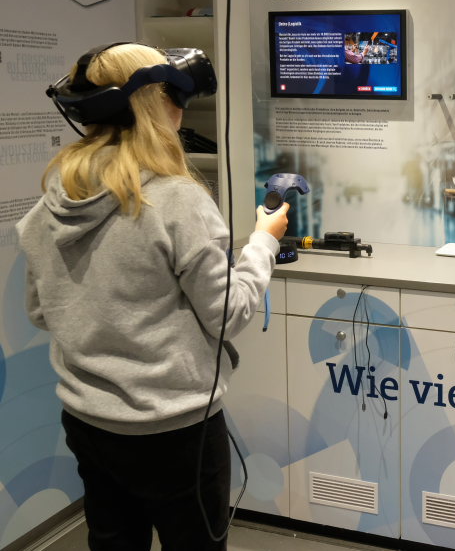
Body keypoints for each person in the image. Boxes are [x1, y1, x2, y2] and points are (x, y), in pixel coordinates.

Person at [16, 43, 289, 550]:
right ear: (157, 104)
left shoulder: (54, 199)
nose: (182, 111)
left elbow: (40, 310)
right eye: (177, 98)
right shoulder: (176, 199)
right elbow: (229, 315)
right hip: (175, 430)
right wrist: (264, 242)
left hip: (88, 421)